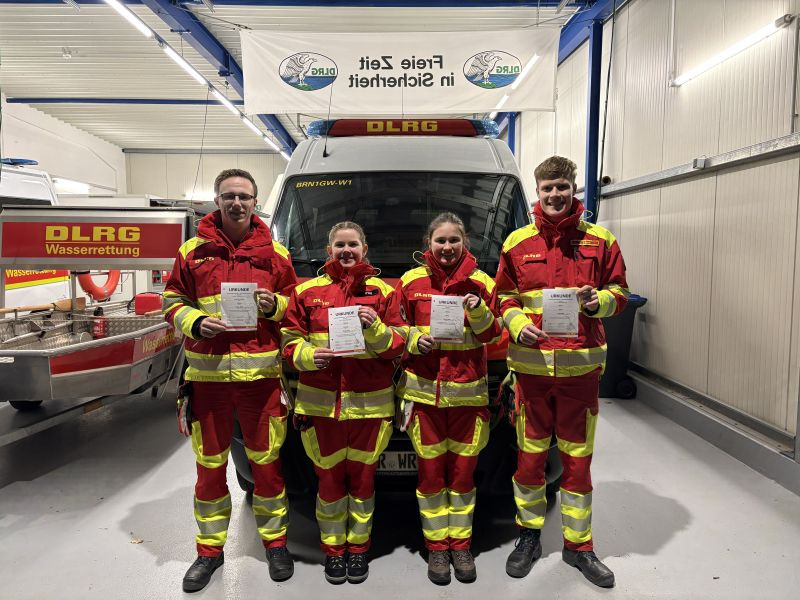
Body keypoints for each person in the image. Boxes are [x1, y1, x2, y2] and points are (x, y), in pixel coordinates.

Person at [495, 156, 629, 588]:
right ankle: (528, 537)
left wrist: (598, 302)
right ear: (538, 192)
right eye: (547, 188)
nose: (554, 194)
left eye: (562, 187)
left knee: (577, 464)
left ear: (574, 189)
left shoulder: (601, 241)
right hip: (532, 374)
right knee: (529, 462)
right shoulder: (517, 242)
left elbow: (620, 293)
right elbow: (504, 297)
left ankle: (579, 547)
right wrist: (517, 323)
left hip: (580, 375)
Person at [163, 168, 298, 593]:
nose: (237, 203)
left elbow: (294, 306)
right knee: (209, 470)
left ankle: (276, 544)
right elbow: (172, 299)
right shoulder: (192, 251)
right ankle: (209, 552)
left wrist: (273, 305)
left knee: (268, 469)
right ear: (217, 200)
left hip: (261, 381)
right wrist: (195, 321)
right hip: (209, 383)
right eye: (229, 196)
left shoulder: (277, 253)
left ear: (255, 202)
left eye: (244, 196)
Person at [280, 222, 405, 584]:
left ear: (365, 250)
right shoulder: (306, 291)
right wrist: (308, 356)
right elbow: (288, 341)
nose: (346, 251)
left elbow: (398, 345)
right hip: (321, 410)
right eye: (340, 245)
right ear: (329, 250)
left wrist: (376, 327)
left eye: (353, 245)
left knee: (363, 484)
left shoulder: (384, 293)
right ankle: (335, 552)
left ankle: (359, 550)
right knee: (330, 484)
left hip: (371, 409)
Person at [395, 212, 502, 585]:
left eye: (453, 240)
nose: (447, 247)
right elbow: (395, 327)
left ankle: (461, 546)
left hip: (468, 401)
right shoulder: (410, 281)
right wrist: (413, 339)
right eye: (440, 240)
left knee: (462, 478)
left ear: (465, 242)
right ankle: (437, 549)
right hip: (423, 401)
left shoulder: (482, 283)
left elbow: (493, 333)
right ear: (429, 243)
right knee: (430, 478)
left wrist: (478, 310)